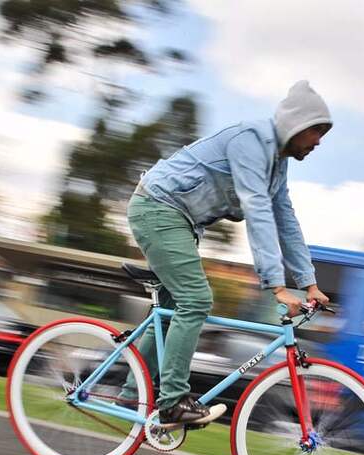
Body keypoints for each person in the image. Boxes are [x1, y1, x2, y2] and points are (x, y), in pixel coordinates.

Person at [120, 80, 331, 427]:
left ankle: (133, 394)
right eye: (316, 131)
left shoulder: (277, 163)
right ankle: (172, 402)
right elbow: (257, 208)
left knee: (175, 310)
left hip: (179, 219)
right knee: (197, 300)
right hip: (158, 208)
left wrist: (309, 283)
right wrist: (276, 286)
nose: (319, 142)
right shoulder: (250, 140)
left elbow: (285, 220)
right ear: (297, 125)